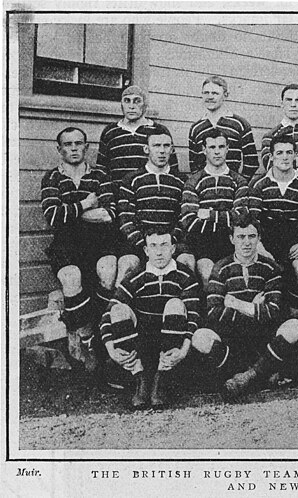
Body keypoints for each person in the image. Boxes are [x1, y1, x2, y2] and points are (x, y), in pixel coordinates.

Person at [190, 209, 298, 398]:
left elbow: (274, 311)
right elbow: (213, 312)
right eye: (241, 236)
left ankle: (248, 377)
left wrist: (236, 303)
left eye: (252, 236)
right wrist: (254, 307)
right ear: (232, 239)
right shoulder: (221, 268)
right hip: (232, 338)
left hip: (262, 337)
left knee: (295, 327)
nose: (246, 242)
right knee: (200, 337)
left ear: (259, 238)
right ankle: (258, 373)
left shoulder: (270, 267)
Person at [41, 127, 117, 371]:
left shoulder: (100, 175)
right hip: (66, 243)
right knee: (71, 277)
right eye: (68, 144)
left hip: (98, 241)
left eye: (78, 143)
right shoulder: (52, 178)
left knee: (108, 269)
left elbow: (109, 214)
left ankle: (103, 333)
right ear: (59, 149)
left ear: (86, 147)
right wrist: (86, 204)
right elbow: (53, 216)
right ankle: (87, 340)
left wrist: (72, 212)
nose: (73, 148)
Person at [100, 227, 202, 409]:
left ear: (173, 248)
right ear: (146, 251)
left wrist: (184, 349)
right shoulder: (136, 277)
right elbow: (107, 315)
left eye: (164, 245)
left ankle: (161, 381)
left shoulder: (185, 276)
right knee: (118, 310)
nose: (159, 252)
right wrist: (110, 349)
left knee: (175, 304)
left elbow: (193, 317)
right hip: (143, 345)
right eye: (153, 246)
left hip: (171, 345)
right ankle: (140, 380)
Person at [117, 125, 191, 284]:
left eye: (166, 146)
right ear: (146, 149)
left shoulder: (182, 181)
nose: (162, 151)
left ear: (172, 149)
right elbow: (125, 218)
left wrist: (169, 242)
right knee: (127, 264)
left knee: (187, 261)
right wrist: (146, 244)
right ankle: (117, 306)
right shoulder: (131, 180)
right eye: (156, 145)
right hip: (139, 242)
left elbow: (184, 217)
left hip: (171, 241)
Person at [248, 135, 298, 315]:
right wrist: (259, 247)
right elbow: (254, 220)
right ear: (271, 157)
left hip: (294, 241)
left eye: (289, 153)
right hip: (267, 241)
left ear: (295, 156)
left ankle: (295, 311)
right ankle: (267, 311)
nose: (284, 157)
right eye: (280, 153)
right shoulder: (259, 185)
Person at [180, 128, 249, 288]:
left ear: (227, 148)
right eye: (212, 147)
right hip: (203, 243)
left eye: (221, 147)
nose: (217, 152)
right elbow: (189, 222)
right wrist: (226, 216)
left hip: (231, 242)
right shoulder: (193, 181)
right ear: (204, 150)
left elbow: (241, 216)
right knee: (208, 273)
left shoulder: (238, 181)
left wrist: (210, 214)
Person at [96, 86, 179, 186]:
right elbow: (101, 170)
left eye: (137, 101)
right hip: (117, 195)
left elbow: (172, 168)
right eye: (127, 101)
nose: (131, 106)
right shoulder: (110, 132)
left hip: (147, 194)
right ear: (121, 104)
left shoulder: (159, 130)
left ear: (145, 105)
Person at [188, 75, 259, 181]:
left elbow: (252, 162)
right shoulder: (196, 128)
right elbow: (194, 164)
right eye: (206, 93)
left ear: (225, 95)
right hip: (205, 189)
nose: (210, 97)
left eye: (215, 93)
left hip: (233, 189)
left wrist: (240, 184)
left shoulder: (240, 124)